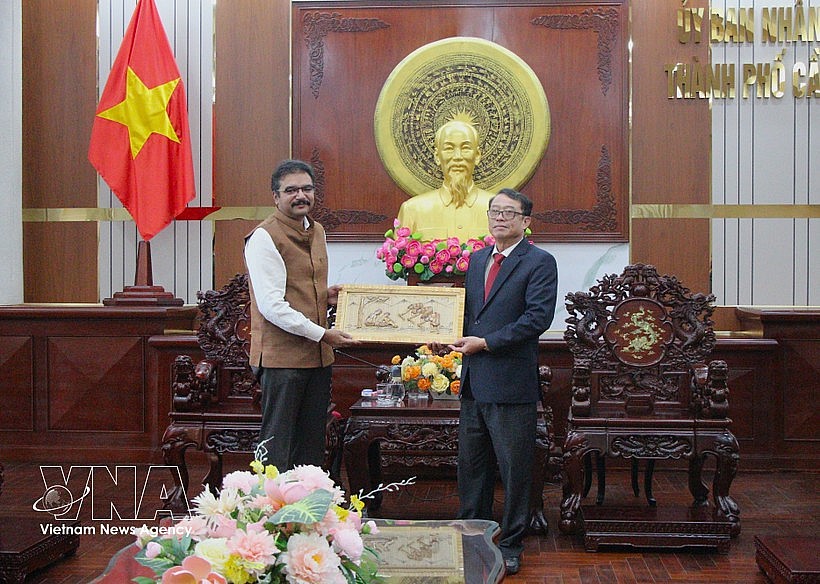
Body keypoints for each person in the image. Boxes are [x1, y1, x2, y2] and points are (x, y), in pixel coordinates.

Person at [436, 188, 557, 575]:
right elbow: (471, 313)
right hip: (474, 382)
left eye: (509, 212)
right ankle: (473, 536)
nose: (500, 218)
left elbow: (537, 319)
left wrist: (486, 343)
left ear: (526, 221)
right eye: (495, 211)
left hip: (510, 382)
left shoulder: (539, 262)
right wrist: (443, 331)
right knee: (472, 468)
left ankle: (511, 543)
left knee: (514, 469)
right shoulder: (477, 259)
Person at [244, 159, 359, 469]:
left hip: (317, 358)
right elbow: (272, 305)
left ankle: (307, 500)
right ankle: (268, 501)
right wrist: (324, 334)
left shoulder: (317, 230)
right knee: (277, 446)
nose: (300, 196)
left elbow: (300, 286)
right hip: (282, 361)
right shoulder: (264, 237)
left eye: (307, 189)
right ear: (275, 196)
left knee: (311, 446)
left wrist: (325, 296)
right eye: (291, 190)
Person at [397, 119, 494, 241]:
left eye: (465, 148)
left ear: (477, 155)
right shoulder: (413, 210)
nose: (457, 157)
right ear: (437, 156)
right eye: (449, 149)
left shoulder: (501, 211)